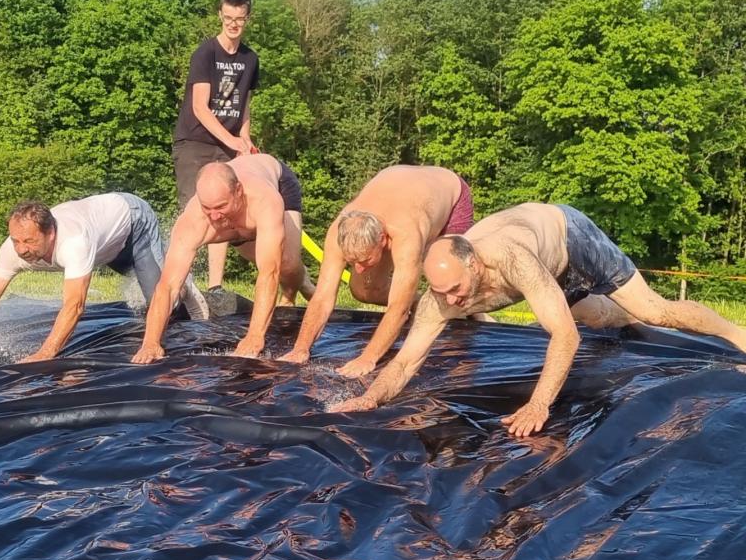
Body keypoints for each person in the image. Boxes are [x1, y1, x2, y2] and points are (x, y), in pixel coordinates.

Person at [331, 202, 746, 436]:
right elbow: (406, 361)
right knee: (601, 320)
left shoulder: (513, 261)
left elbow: (565, 337)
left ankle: (736, 332)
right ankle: (620, 317)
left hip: (569, 236)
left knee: (653, 310)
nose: (452, 300)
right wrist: (373, 397)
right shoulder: (441, 294)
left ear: (475, 265)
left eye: (456, 289)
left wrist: (538, 404)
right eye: (442, 293)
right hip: (548, 269)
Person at [0, 194, 208, 362]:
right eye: (16, 240)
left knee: (162, 301)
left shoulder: (73, 242)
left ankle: (182, 282)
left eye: (29, 241)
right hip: (104, 243)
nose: (21, 249)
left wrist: (45, 352)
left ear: (51, 234)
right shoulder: (12, 249)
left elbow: (74, 306)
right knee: (145, 289)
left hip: (133, 222)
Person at [281, 165, 474, 375]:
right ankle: (423, 302)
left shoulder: (406, 233)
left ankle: (475, 312)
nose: (358, 268)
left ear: (382, 239)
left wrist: (368, 358)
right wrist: (300, 348)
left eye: (364, 261)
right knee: (363, 290)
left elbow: (398, 309)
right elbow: (322, 298)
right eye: (352, 262)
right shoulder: (339, 231)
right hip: (400, 187)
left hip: (449, 195)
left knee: (450, 291)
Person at [132, 153, 315, 364]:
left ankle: (295, 292)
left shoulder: (265, 201)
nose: (214, 216)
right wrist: (151, 342)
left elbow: (268, 273)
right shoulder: (194, 220)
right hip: (239, 224)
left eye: (220, 207)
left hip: (277, 181)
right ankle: (298, 283)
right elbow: (168, 286)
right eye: (207, 208)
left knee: (287, 263)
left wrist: (254, 336)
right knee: (273, 262)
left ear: (238, 191)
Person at [173, 0, 259, 310]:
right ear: (220, 16)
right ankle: (178, 283)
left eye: (240, 19)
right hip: (195, 142)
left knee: (223, 212)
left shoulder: (250, 59)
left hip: (229, 143)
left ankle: (215, 287)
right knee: (194, 209)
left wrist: (244, 139)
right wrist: (232, 140)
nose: (233, 24)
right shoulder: (205, 54)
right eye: (228, 18)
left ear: (247, 19)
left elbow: (244, 105)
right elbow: (200, 107)